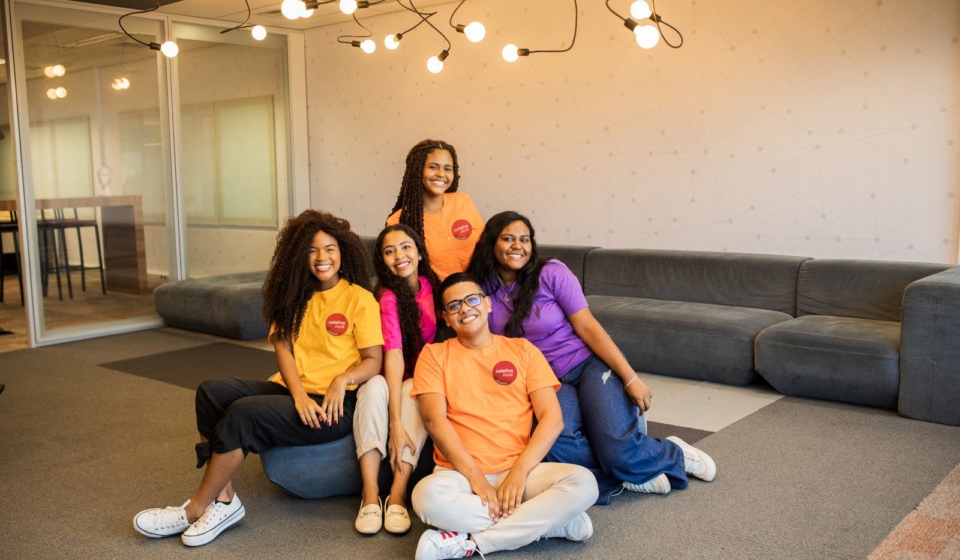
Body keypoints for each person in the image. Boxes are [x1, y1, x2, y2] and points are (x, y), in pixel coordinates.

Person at [133, 210, 384, 546]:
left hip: (334, 407)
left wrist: (343, 379)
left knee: (244, 414)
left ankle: (194, 509)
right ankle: (225, 501)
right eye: (312, 250)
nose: (322, 257)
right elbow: (283, 347)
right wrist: (297, 395)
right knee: (211, 392)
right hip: (294, 392)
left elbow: (374, 361)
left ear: (343, 252)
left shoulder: (359, 298)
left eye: (329, 248)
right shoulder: (295, 295)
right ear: (299, 256)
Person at [468, 211, 717, 504]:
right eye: (508, 238)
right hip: (544, 380)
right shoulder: (482, 287)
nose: (517, 246)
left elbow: (588, 327)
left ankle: (670, 452)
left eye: (524, 239)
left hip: (588, 364)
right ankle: (625, 472)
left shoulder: (551, 272)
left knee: (614, 446)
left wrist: (630, 378)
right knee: (557, 444)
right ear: (491, 243)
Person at [410, 273, 599, 560]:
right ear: (446, 318)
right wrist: (477, 479)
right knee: (424, 496)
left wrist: (519, 473)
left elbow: (552, 418)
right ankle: (547, 523)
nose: (465, 309)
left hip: (521, 471)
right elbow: (435, 420)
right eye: (454, 305)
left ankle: (471, 542)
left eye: (472, 299)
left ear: (487, 304)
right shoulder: (434, 355)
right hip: (460, 475)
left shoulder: (522, 350)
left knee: (584, 483)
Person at [351, 224, 442, 534]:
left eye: (405, 247)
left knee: (418, 386)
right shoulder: (388, 296)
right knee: (380, 385)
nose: (399, 256)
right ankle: (371, 496)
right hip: (387, 377)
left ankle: (398, 496)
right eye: (389, 252)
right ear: (382, 261)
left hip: (419, 379)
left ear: (418, 251)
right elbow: (393, 355)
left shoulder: (432, 286)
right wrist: (395, 425)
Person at [386, 139, 484, 280]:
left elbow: (486, 246)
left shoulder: (464, 201)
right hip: (434, 297)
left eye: (447, 168)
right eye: (433, 167)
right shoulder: (399, 221)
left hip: (477, 291)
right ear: (418, 170)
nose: (441, 174)